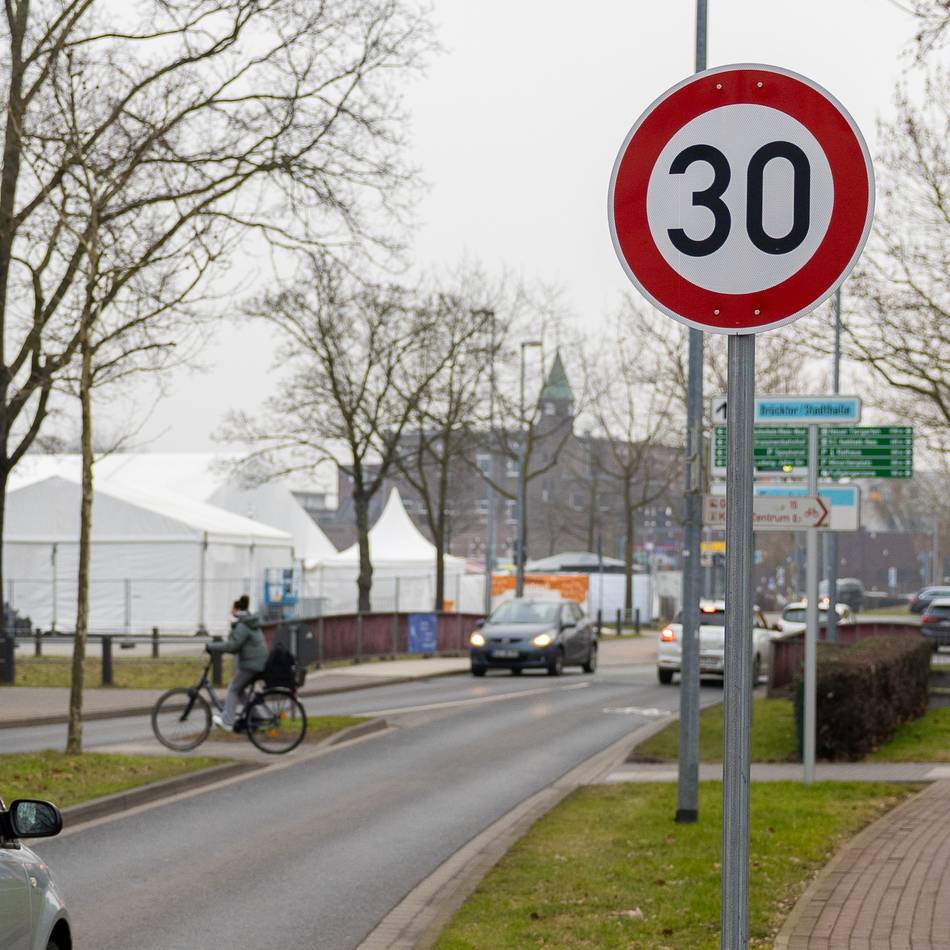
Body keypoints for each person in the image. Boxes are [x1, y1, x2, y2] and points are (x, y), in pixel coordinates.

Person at [206, 594, 268, 729]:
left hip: (252, 664)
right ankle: (256, 716)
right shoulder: (248, 622)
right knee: (240, 690)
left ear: (236, 609)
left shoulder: (243, 625)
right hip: (258, 662)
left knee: (233, 689)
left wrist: (211, 647)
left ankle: (227, 721)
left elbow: (232, 646)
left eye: (231, 609)